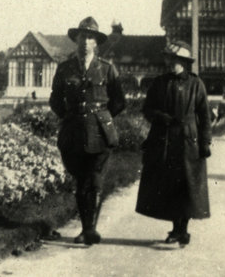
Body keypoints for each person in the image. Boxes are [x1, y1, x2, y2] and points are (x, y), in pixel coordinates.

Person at [49, 16, 126, 245]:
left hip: (99, 133)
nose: (85, 41)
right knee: (81, 180)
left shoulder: (106, 69)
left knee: (92, 179)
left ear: (96, 43)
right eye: (82, 37)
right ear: (76, 40)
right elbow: (55, 99)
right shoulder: (65, 69)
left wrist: (102, 117)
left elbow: (119, 101)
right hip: (73, 132)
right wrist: (68, 115)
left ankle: (88, 229)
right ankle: (87, 227)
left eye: (90, 37)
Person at [135, 40, 212, 246]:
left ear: (185, 62)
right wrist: (160, 117)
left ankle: (181, 231)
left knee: (186, 186)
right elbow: (147, 109)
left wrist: (205, 142)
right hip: (165, 139)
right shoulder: (160, 83)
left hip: (188, 141)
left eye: (176, 60)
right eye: (169, 58)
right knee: (168, 185)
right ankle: (178, 230)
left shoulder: (196, 84)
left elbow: (204, 116)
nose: (171, 63)